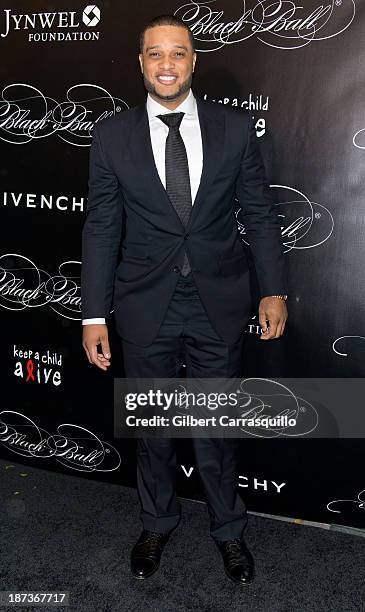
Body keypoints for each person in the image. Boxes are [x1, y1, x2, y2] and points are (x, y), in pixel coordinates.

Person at [81, 14, 288, 586]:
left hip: (219, 301)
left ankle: (228, 529)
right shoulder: (111, 136)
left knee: (215, 426)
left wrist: (273, 288)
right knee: (153, 425)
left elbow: (260, 214)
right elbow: (101, 227)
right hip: (145, 303)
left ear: (194, 62)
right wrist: (93, 312)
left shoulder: (235, 130)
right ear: (140, 63)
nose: (167, 64)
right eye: (155, 54)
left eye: (178, 53)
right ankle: (156, 521)